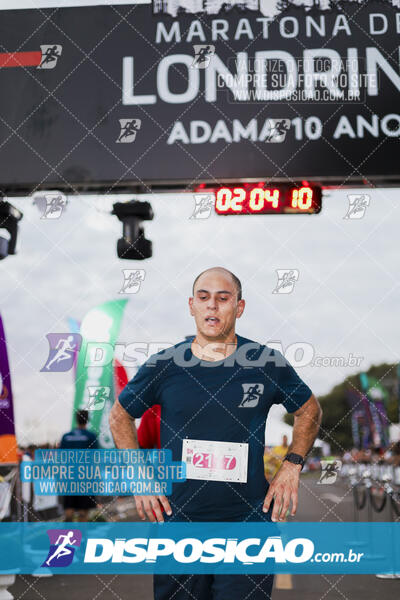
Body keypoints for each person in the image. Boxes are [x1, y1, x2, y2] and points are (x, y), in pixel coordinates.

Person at [110, 267, 322, 600]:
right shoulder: (163, 366)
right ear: (191, 305)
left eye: (223, 299)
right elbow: (120, 417)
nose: (213, 306)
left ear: (239, 307)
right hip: (178, 525)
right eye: (204, 298)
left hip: (247, 525)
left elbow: (310, 411)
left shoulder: (267, 363)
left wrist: (292, 464)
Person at [59, 409, 98, 522]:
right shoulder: (91, 436)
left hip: (69, 477)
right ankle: (82, 537)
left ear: (76, 419)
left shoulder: (66, 436)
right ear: (88, 419)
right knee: (83, 510)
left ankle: (69, 536)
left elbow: (61, 458)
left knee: (69, 508)